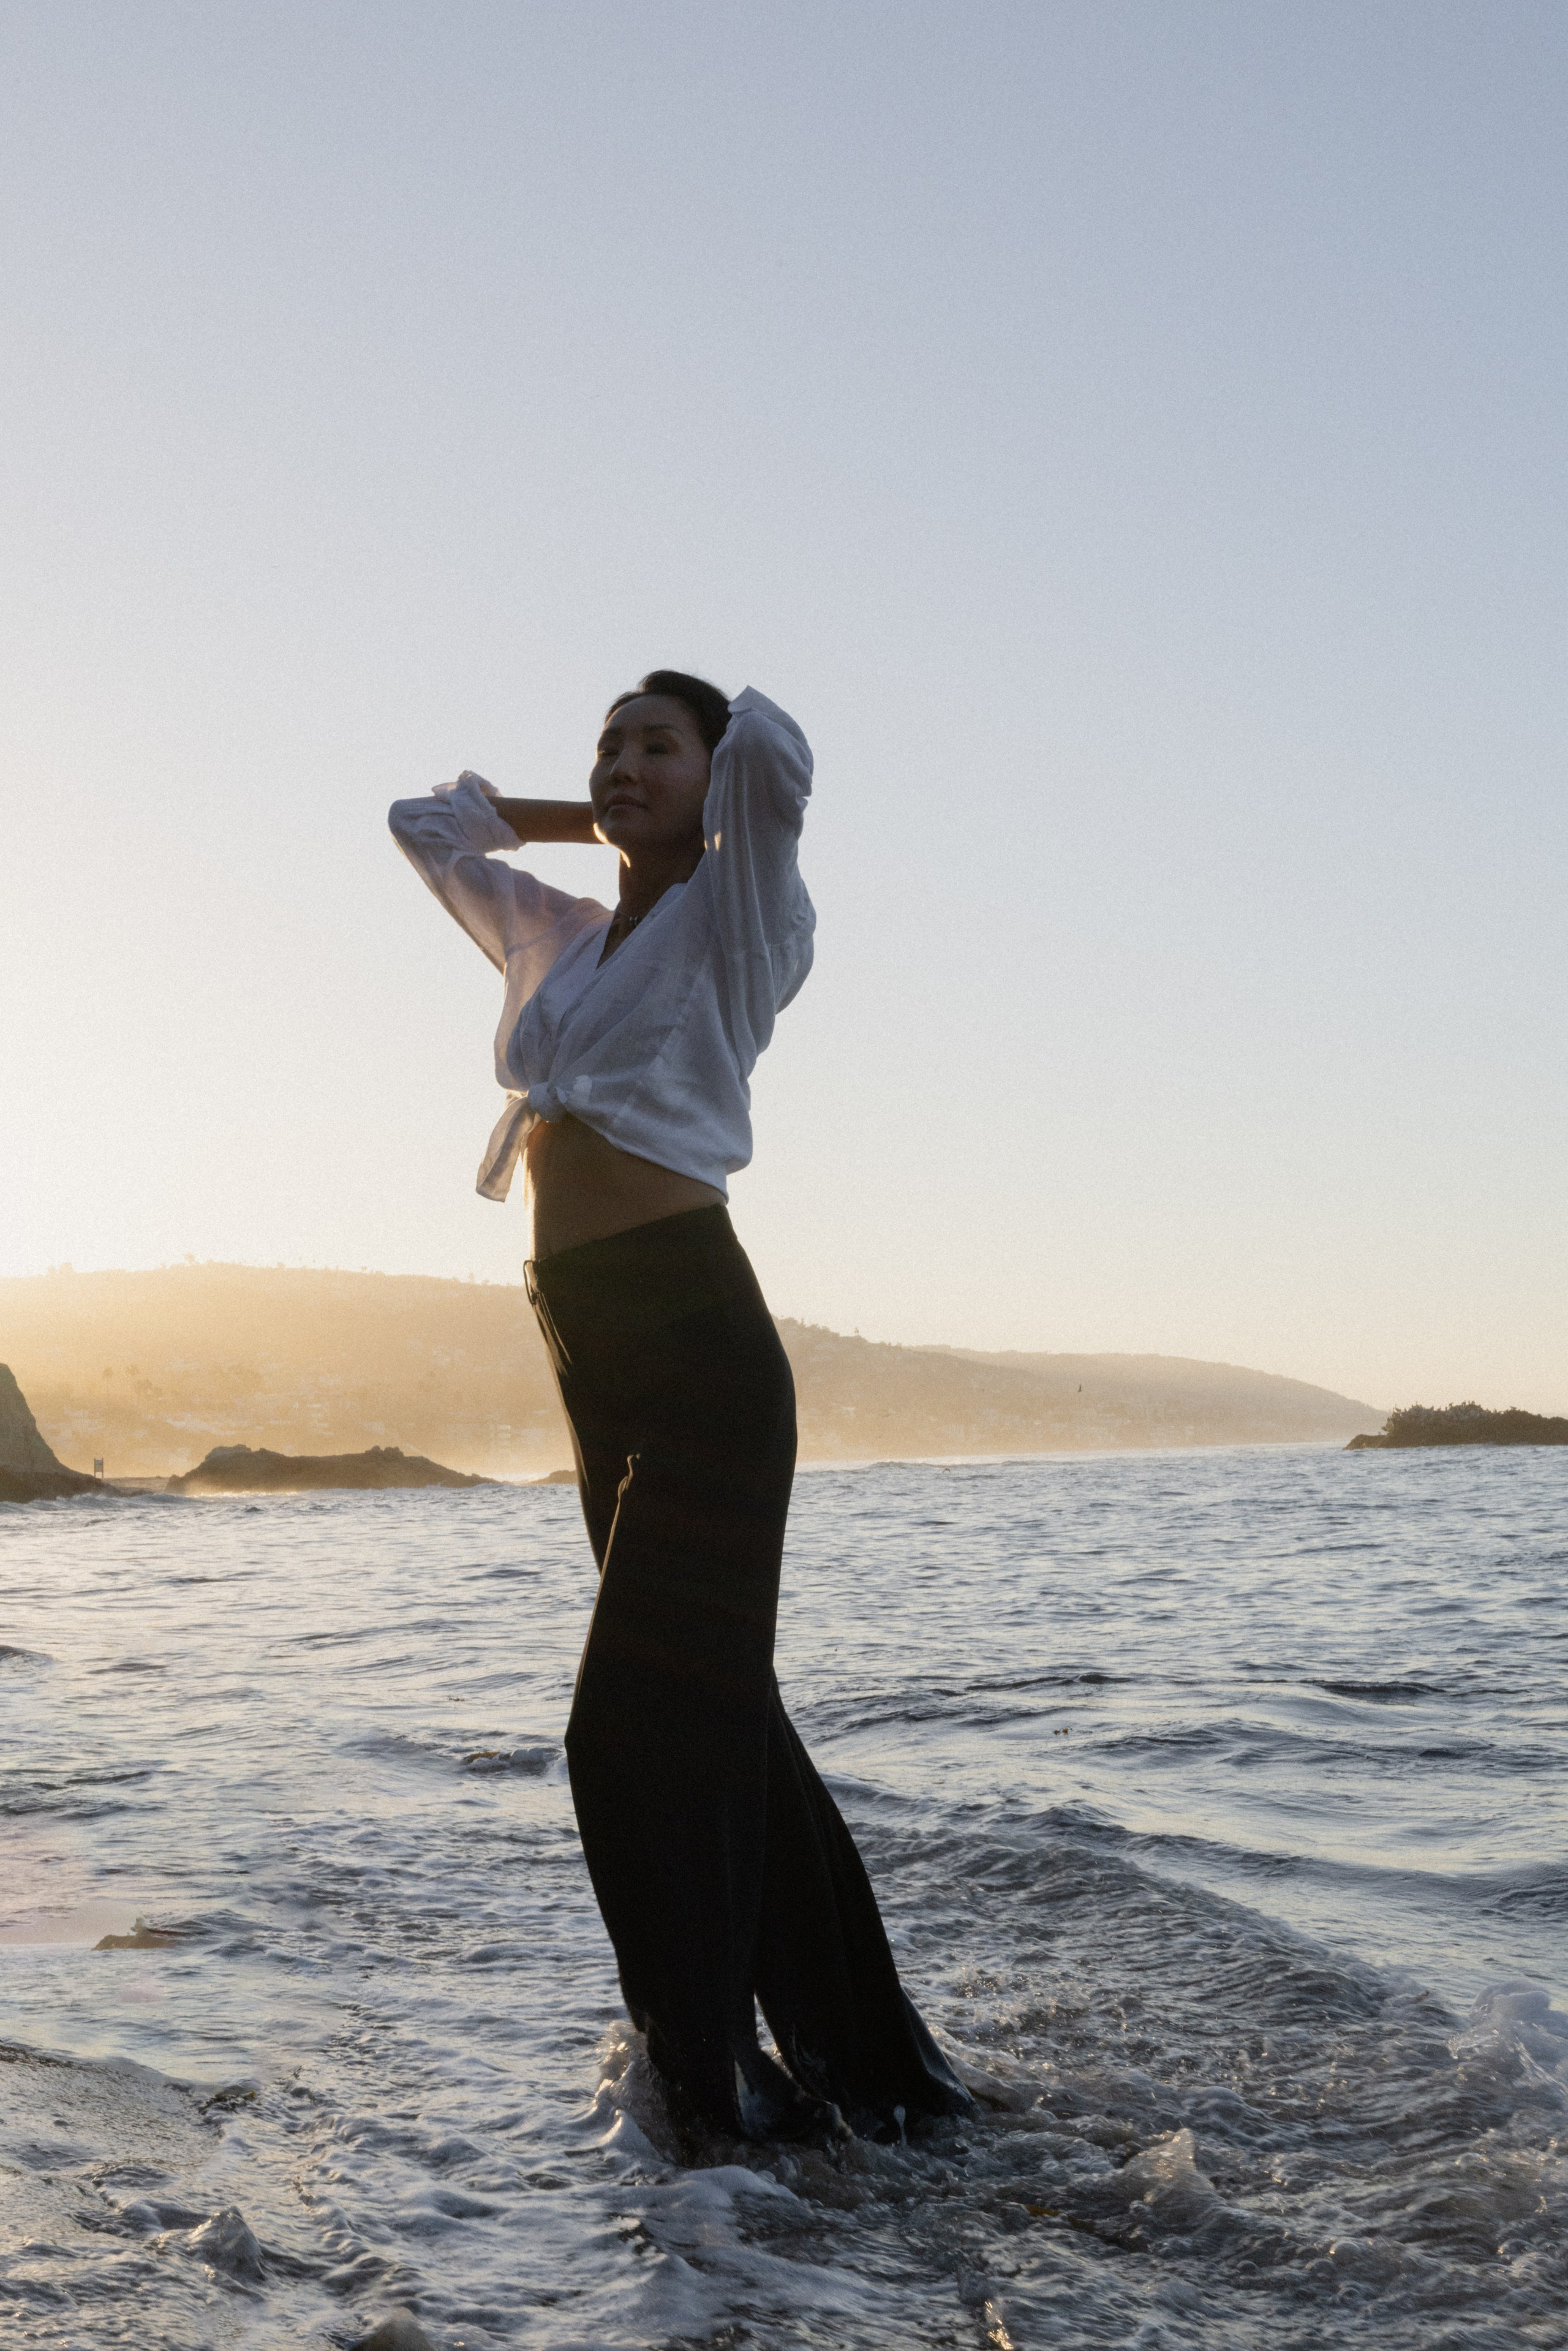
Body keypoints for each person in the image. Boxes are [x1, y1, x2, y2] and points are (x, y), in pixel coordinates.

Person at [388, 671, 971, 2149]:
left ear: (710, 782)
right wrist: (590, 817)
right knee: (722, 1721)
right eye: (607, 743)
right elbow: (426, 823)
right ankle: (864, 2075)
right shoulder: (566, 941)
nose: (620, 761)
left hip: (701, 1349)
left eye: (655, 744)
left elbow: (773, 746)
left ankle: (701, 2106)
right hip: (589, 1356)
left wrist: (690, 807)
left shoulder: (743, 918)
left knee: (625, 1733)